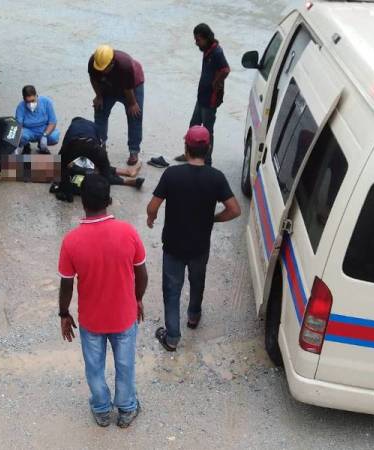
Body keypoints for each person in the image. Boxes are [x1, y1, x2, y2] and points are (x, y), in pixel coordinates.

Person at [58, 174, 148, 428]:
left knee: (94, 368)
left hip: (91, 320)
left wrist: (64, 314)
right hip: (123, 317)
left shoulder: (71, 241)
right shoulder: (128, 232)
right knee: (125, 365)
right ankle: (127, 408)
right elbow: (142, 274)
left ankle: (101, 409)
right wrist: (137, 299)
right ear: (109, 199)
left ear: (82, 202)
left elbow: (66, 284)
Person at [147, 126, 241, 351]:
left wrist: (151, 218)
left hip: (173, 246)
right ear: (207, 148)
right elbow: (235, 210)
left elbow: (152, 205)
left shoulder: (172, 174)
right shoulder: (216, 177)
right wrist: (213, 219)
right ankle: (193, 316)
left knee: (172, 289)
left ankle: (171, 338)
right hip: (200, 247)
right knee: (197, 281)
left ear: (186, 148)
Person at [175, 24, 230, 165]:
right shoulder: (207, 50)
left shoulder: (217, 52)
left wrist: (216, 83)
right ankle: (189, 154)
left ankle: (207, 161)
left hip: (210, 100)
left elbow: (225, 70)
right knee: (193, 125)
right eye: (195, 40)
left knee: (207, 131)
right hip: (201, 97)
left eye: (198, 40)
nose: (196, 43)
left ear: (207, 38)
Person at [55, 117, 144, 203]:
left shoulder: (72, 127)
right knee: (99, 171)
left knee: (81, 169)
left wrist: (65, 191)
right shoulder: (94, 126)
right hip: (91, 145)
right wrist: (106, 197)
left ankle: (127, 175)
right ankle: (127, 174)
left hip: (74, 146)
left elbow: (61, 162)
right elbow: (101, 154)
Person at [88, 45, 145, 167]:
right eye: (100, 69)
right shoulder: (93, 62)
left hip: (132, 85)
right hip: (107, 84)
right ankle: (100, 145)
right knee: (100, 110)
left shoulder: (125, 65)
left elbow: (127, 89)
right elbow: (93, 79)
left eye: (105, 68)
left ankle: (134, 151)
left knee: (135, 115)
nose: (102, 71)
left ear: (112, 63)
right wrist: (98, 96)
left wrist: (133, 103)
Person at [15, 85, 60, 154]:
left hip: (44, 129)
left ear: (36, 96)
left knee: (54, 137)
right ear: (24, 99)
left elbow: (52, 122)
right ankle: (26, 145)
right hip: (28, 131)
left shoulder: (47, 102)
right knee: (19, 137)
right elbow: (18, 125)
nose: (31, 104)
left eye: (33, 100)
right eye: (28, 102)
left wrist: (45, 135)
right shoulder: (20, 107)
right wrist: (15, 147)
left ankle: (42, 147)